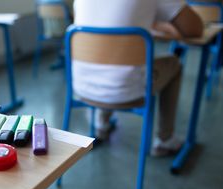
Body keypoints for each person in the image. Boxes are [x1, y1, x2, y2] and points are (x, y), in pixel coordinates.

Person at [73, 0, 203, 156]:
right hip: (127, 89)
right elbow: (195, 29)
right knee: (173, 64)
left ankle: (102, 124)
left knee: (109, 58)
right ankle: (165, 140)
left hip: (82, 85)